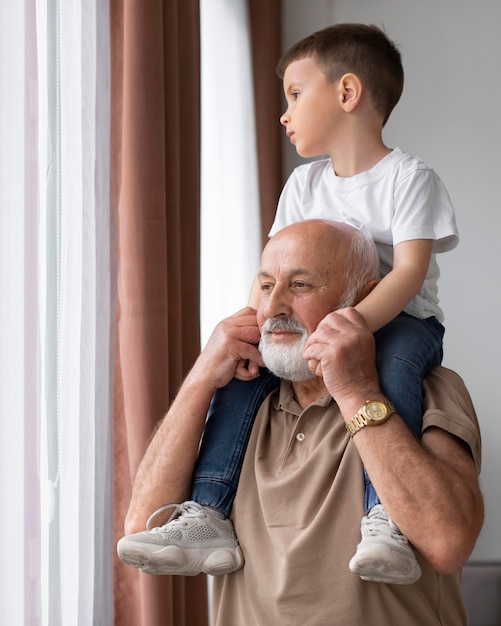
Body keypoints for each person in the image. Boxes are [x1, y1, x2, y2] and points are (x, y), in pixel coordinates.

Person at [118, 23, 459, 584]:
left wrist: (352, 328)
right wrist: (253, 326)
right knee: (242, 378)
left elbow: (409, 272)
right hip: (324, 324)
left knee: (391, 371)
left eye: (296, 95)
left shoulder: (409, 178)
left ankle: (386, 518)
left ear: (348, 93)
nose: (284, 113)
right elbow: (270, 270)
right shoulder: (303, 184)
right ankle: (206, 512)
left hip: (399, 321)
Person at [119, 220, 483, 625]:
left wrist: (356, 391)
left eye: (300, 286)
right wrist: (201, 376)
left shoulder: (431, 391)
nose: (274, 308)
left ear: (363, 299)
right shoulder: (238, 405)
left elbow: (446, 543)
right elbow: (142, 523)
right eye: (266, 285)